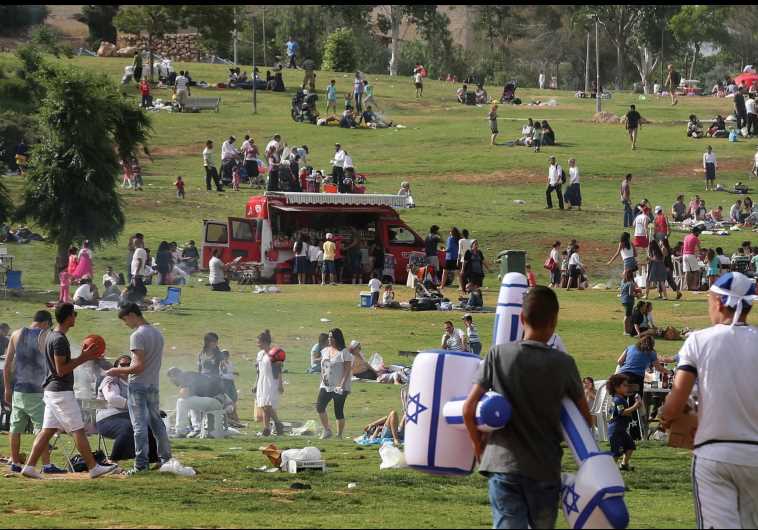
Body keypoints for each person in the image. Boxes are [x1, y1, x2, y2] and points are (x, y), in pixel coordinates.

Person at [462, 286, 590, 530]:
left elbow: (469, 409)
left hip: (502, 465)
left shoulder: (498, 355)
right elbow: (585, 420)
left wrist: (478, 447)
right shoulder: (564, 364)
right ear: (554, 321)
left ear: (521, 318)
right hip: (545, 469)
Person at [660, 272, 758, 529]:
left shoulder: (699, 341)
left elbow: (677, 399)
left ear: (719, 302)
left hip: (714, 454)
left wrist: (667, 417)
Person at [20, 304, 117, 480]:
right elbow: (61, 370)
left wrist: (81, 357)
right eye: (75, 314)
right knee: (78, 430)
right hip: (60, 391)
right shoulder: (59, 340)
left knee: (47, 430)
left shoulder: (52, 336)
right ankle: (94, 468)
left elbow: (61, 366)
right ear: (69, 317)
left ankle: (29, 466)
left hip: (52, 390)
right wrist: (84, 357)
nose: (76, 317)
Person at [105, 303, 172, 473]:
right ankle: (166, 459)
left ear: (133, 315)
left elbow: (138, 367)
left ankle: (141, 465)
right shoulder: (157, 334)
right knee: (157, 423)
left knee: (139, 425)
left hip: (138, 385)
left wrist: (116, 370)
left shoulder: (137, 335)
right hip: (153, 385)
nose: (126, 324)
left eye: (125, 319)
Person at [3, 311, 67, 474]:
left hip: (18, 389)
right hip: (37, 390)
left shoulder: (16, 334)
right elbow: (52, 363)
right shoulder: (46, 335)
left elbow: (8, 363)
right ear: (46, 322)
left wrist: (7, 388)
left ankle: (15, 462)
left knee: (15, 427)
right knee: (43, 428)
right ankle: (46, 465)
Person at [96, 355, 158, 463]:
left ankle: (155, 460)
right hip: (107, 419)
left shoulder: (136, 382)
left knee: (149, 425)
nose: (125, 367)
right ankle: (113, 461)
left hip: (127, 417)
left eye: (128, 365)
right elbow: (112, 398)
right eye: (122, 365)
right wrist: (137, 406)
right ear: (116, 367)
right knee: (129, 427)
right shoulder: (110, 379)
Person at [167, 367, 228, 438]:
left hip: (215, 400)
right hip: (217, 401)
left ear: (174, 376)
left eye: (171, 378)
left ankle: (180, 432)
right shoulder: (190, 375)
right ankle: (197, 429)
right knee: (190, 401)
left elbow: (184, 394)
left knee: (181, 402)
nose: (171, 381)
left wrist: (178, 398)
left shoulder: (184, 376)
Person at [317, 328, 352, 439]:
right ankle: (327, 430)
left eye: (332, 337)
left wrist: (341, 385)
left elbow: (347, 370)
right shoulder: (325, 351)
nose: (329, 339)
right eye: (329, 337)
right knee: (319, 407)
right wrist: (323, 377)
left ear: (337, 338)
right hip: (326, 384)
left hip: (339, 386)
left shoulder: (344, 352)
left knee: (338, 410)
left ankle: (339, 435)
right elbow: (323, 366)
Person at [606, 374, 643, 471]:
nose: (627, 388)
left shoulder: (620, 397)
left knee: (630, 446)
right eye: (625, 385)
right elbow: (622, 412)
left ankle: (624, 464)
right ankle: (609, 470)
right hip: (615, 430)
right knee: (616, 452)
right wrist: (636, 405)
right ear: (616, 387)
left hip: (621, 430)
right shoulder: (618, 400)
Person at [254, 330, 284, 436]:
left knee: (268, 405)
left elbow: (279, 369)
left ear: (265, 342)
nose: (257, 344)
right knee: (262, 404)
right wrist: (255, 384)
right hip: (262, 381)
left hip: (272, 381)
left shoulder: (274, 353)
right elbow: (258, 371)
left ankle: (277, 423)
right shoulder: (260, 354)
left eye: (259, 342)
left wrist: (280, 384)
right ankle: (266, 428)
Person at [620, 269, 639, 335]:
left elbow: (626, 290)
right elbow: (630, 293)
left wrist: (636, 290)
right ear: (631, 275)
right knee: (627, 316)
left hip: (623, 300)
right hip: (629, 301)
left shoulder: (623, 281)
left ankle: (629, 329)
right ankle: (625, 331)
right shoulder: (631, 283)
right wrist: (637, 295)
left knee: (629, 316)